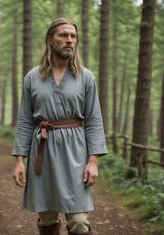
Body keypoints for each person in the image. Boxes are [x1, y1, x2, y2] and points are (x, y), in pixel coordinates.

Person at [12, 17, 107, 235]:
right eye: (63, 35)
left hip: (75, 153)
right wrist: (19, 160)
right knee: (46, 217)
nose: (69, 40)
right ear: (50, 40)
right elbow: (26, 120)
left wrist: (93, 161)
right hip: (42, 153)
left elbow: (93, 120)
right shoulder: (32, 78)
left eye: (73, 36)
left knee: (79, 221)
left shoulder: (86, 78)